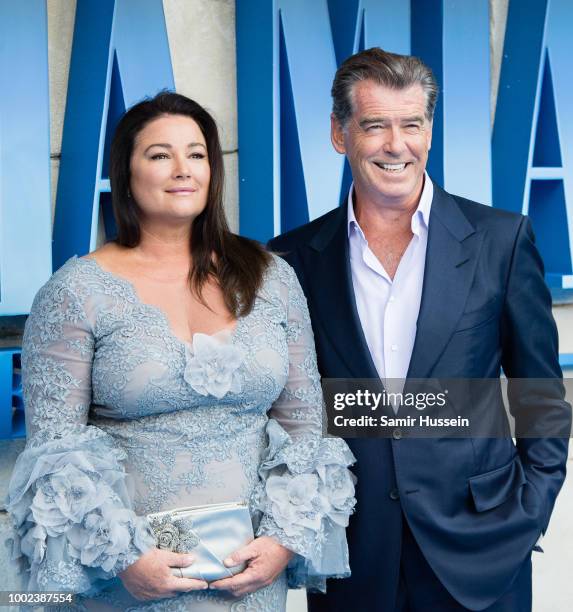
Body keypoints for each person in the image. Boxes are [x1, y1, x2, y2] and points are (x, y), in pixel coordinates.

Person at [6, 92, 356, 611]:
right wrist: (125, 559)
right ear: (125, 172)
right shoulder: (75, 291)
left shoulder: (272, 278)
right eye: (159, 154)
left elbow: (307, 430)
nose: (181, 169)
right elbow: (55, 451)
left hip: (250, 573)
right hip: (126, 579)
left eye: (196, 154)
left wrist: (284, 540)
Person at [268, 48, 571, 611]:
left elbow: (540, 396)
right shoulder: (291, 260)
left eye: (412, 124)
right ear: (340, 133)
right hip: (353, 555)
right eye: (375, 125)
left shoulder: (500, 242)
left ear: (429, 132)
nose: (395, 144)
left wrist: (529, 513)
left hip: (481, 548)